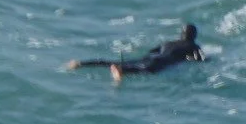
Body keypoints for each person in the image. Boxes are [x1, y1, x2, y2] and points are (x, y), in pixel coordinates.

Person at [65, 23, 206, 81]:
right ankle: (122, 71)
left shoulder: (168, 42)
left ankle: (80, 63)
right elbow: (200, 59)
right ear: (194, 36)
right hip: (162, 61)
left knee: (119, 62)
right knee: (147, 71)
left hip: (152, 56)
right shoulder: (194, 46)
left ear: (180, 34)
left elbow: (153, 50)